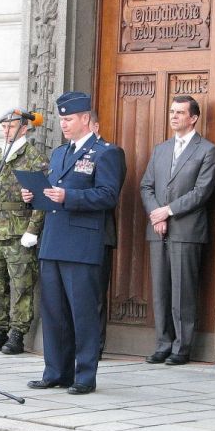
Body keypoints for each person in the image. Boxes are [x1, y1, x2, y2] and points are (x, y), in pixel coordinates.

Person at [23, 92, 123, 394]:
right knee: (54, 311)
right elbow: (52, 195)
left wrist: (71, 196)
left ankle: (84, 375)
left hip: (83, 243)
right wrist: (33, 198)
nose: (63, 124)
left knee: (82, 313)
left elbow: (108, 194)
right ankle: (55, 371)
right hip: (54, 240)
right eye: (61, 119)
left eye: (68, 119)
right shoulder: (59, 154)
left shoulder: (107, 153)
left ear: (85, 119)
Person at [140, 95, 215, 365]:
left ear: (193, 117)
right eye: (172, 111)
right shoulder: (160, 149)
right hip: (158, 229)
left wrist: (168, 211)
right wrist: (156, 214)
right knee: (160, 290)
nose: (174, 116)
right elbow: (146, 186)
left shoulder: (207, 150)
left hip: (186, 230)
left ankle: (181, 347)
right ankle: (162, 343)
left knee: (183, 290)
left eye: (180, 112)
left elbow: (202, 192)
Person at [0, 108, 48, 355]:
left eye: (12, 127)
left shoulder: (34, 158)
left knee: (22, 285)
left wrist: (33, 230)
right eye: (4, 127)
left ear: (24, 128)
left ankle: (17, 334)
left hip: (19, 232)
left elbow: (43, 196)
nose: (6, 131)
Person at [89, 111, 127, 360]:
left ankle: (95, 346)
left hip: (98, 234)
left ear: (92, 125)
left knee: (95, 295)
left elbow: (108, 193)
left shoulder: (109, 152)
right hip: (70, 236)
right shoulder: (65, 152)